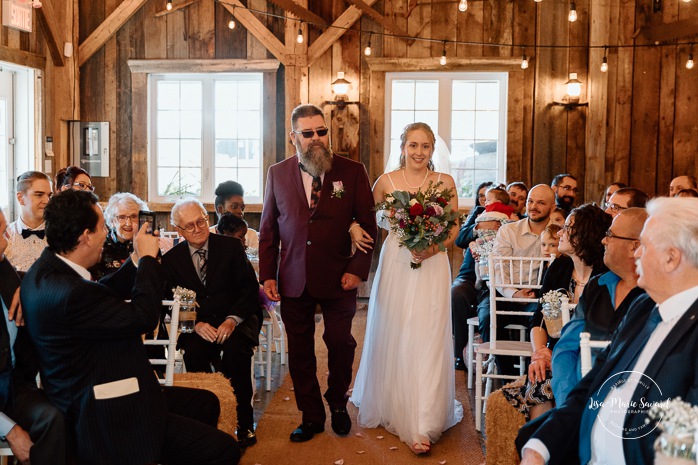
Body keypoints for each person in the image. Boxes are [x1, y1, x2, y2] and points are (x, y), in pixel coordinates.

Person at [21, 190, 239, 465]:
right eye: (102, 227)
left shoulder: (43, 271)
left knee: (206, 403)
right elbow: (142, 317)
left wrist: (134, 261)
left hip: (100, 390)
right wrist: (148, 261)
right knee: (224, 449)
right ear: (85, 236)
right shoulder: (70, 294)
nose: (106, 234)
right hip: (108, 410)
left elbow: (98, 293)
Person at [519, 197, 698, 465]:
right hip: (587, 447)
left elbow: (683, 447)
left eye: (644, 247)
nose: (636, 253)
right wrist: (540, 447)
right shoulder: (642, 308)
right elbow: (593, 385)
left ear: (671, 258)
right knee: (528, 437)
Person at [258, 104, 377, 443]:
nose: (315, 139)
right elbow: (268, 231)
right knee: (300, 352)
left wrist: (357, 270)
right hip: (293, 278)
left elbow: (368, 225)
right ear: (293, 136)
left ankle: (338, 404)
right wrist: (268, 275)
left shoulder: (352, 171)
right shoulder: (277, 173)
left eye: (321, 131)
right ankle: (310, 416)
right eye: (307, 133)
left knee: (340, 342)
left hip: (340, 277)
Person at [350, 122, 462, 454]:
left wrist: (435, 247)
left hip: (432, 263)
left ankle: (423, 420)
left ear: (432, 149)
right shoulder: (385, 183)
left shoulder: (445, 182)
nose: (418, 152)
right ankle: (393, 402)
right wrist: (354, 227)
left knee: (427, 333)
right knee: (396, 329)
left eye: (425, 146)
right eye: (413, 145)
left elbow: (454, 224)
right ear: (402, 147)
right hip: (398, 262)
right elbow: (365, 218)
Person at [162, 198, 260, 449]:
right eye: (190, 226)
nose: (197, 228)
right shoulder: (171, 260)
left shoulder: (230, 247)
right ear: (179, 230)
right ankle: (206, 421)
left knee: (236, 354)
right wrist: (194, 325)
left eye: (201, 221)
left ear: (207, 219)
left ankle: (244, 423)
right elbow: (169, 302)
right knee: (195, 353)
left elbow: (249, 289)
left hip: (234, 320)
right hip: (198, 325)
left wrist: (232, 320)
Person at [502, 204, 610, 421]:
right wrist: (540, 353)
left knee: (556, 378)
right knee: (539, 377)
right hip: (553, 353)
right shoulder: (558, 268)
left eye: (567, 228)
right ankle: (545, 448)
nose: (559, 232)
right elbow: (538, 319)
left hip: (592, 356)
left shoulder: (605, 276)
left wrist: (560, 355)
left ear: (584, 236)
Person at [548, 208, 648, 404]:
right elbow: (566, 349)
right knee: (533, 433)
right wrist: (568, 403)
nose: (604, 240)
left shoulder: (656, 296)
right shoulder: (597, 286)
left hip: (631, 406)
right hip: (578, 398)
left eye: (610, 235)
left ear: (634, 247)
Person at [0, 206, 67, 465]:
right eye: (3, 232)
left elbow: (51, 278)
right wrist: (10, 430)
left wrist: (27, 287)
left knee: (56, 416)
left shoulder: (6, 272)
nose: (8, 239)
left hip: (14, 386)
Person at [451, 181, 494, 371]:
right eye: (481, 196)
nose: (485, 199)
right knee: (457, 293)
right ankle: (459, 353)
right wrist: (478, 227)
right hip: (469, 275)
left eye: (489, 196)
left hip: (494, 276)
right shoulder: (476, 214)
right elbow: (460, 239)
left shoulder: (507, 215)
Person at [89, 192, 148, 280]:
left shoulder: (147, 243)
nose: (128, 223)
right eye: (122, 217)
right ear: (112, 221)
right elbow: (99, 284)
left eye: (134, 216)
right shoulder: (101, 246)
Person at [4, 171, 52, 272]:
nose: (47, 201)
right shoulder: (5, 238)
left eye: (49, 195)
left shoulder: (61, 236)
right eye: (39, 195)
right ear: (20, 198)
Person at [212, 180, 259, 252]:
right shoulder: (208, 236)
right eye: (234, 207)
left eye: (242, 208)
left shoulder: (251, 235)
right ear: (220, 209)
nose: (240, 212)